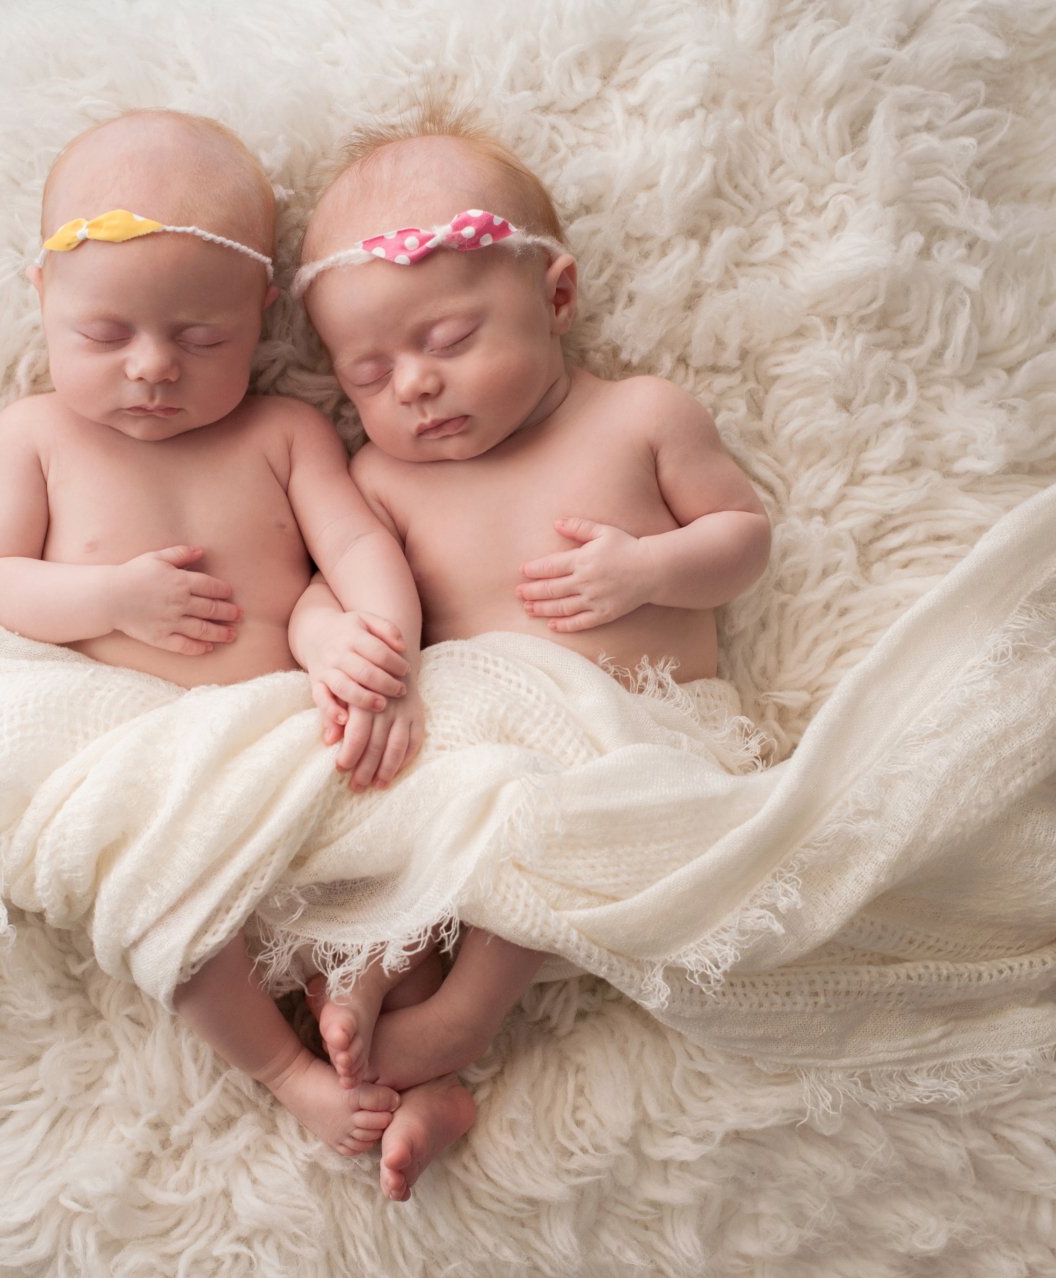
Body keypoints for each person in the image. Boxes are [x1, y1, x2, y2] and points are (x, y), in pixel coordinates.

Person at [0, 109, 446, 1193]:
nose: (152, 369)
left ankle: (406, 1047)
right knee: (167, 914)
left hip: (288, 735)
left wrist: (383, 650)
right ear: (42, 295)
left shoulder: (284, 432)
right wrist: (111, 596)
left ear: (260, 314)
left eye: (203, 338)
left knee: (414, 858)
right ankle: (287, 1070)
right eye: (105, 336)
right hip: (139, 756)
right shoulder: (33, 436)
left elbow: (359, 542)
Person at [288, 109, 773, 1199]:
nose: (411, 384)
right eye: (367, 372)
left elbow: (742, 542)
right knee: (386, 824)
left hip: (626, 739)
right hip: (464, 736)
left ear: (556, 298)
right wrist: (330, 644)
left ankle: (471, 1013)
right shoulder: (384, 481)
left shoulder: (639, 417)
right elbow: (321, 595)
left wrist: (649, 572)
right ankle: (389, 1014)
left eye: (448, 341)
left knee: (533, 837)